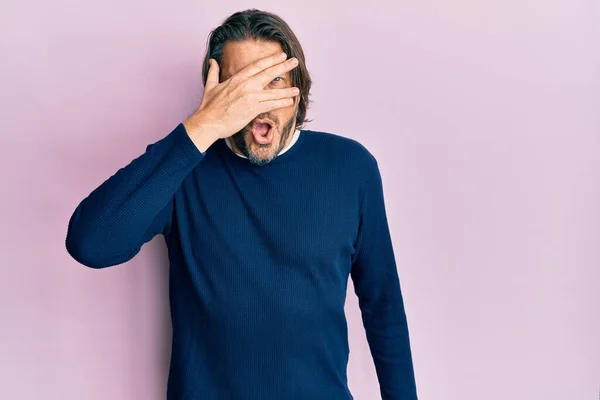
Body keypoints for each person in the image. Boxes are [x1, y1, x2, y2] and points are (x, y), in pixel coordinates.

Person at [65, 8, 418, 400]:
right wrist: (201, 128)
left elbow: (382, 303)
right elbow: (90, 244)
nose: (258, 103)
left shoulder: (352, 168)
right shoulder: (183, 171)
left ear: (298, 88)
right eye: (240, 88)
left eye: (274, 81)